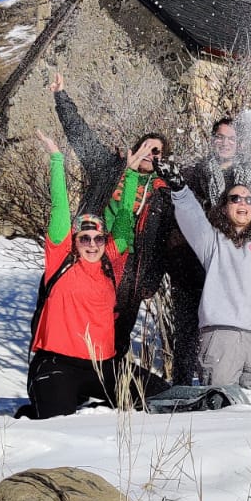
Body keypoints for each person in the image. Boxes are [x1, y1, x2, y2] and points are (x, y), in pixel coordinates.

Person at [49, 72, 178, 360]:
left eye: (156, 151)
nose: (149, 153)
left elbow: (164, 243)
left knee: (115, 339)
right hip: (92, 255)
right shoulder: (110, 168)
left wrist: (151, 279)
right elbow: (81, 136)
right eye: (145, 147)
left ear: (163, 158)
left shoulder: (165, 193)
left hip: (131, 271)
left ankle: (107, 393)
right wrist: (61, 97)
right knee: (81, 327)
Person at [21, 130, 139, 420]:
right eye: (84, 238)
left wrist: (132, 172)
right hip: (57, 362)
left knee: (158, 400)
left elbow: (125, 218)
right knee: (55, 420)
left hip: (103, 366)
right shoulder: (61, 261)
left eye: (97, 238)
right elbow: (61, 208)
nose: (91, 244)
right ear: (74, 241)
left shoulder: (112, 262)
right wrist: (56, 159)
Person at [160, 163, 251, 389]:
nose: (243, 203)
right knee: (220, 408)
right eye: (235, 198)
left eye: (249, 199)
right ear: (224, 206)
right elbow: (193, 218)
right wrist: (179, 189)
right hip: (220, 336)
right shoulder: (213, 241)